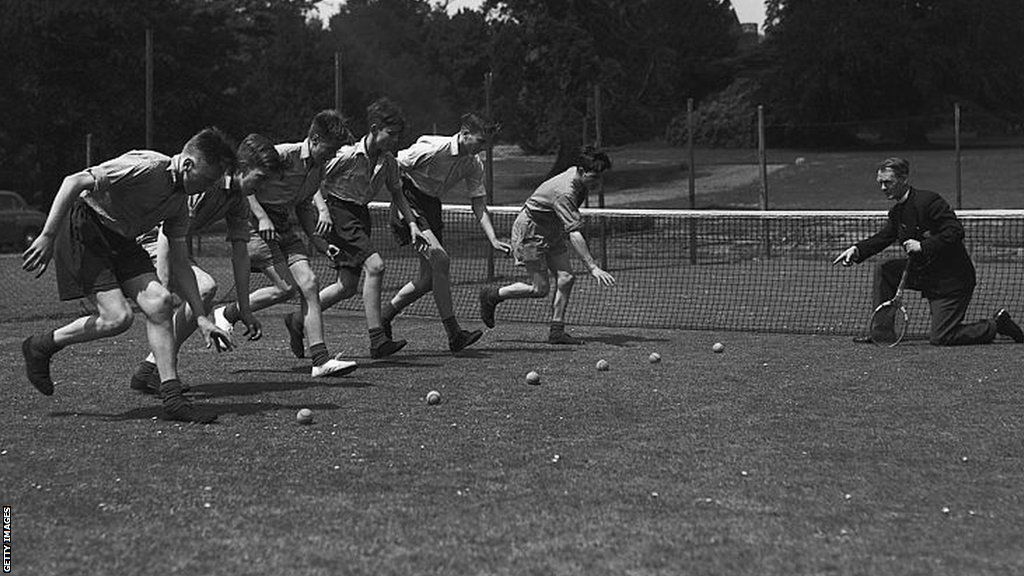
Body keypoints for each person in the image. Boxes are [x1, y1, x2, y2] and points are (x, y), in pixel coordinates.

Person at [20, 127, 238, 423]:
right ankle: (41, 345)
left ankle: (173, 400)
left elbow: (181, 263)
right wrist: (47, 235)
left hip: (123, 240)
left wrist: (200, 316)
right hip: (86, 228)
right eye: (208, 179)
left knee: (160, 302)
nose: (209, 187)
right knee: (118, 319)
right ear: (188, 164)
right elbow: (75, 181)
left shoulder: (178, 205)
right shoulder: (146, 166)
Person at [212, 110, 358, 377]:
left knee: (309, 284)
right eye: (331, 148)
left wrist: (318, 242)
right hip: (254, 223)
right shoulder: (281, 155)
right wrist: (261, 216)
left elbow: (302, 205)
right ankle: (227, 313)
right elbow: (246, 185)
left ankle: (320, 361)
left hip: (283, 226)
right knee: (288, 288)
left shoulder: (318, 168)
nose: (333, 154)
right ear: (314, 139)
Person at [128, 133, 275, 394]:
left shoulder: (237, 201)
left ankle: (149, 371)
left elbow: (241, 255)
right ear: (242, 168)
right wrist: (162, 289)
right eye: (260, 178)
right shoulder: (206, 181)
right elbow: (165, 232)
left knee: (204, 290)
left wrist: (245, 309)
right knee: (205, 287)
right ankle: (160, 372)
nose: (261, 188)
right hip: (150, 238)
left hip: (175, 243)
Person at [285, 97, 429, 359]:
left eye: (398, 135)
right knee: (376, 266)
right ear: (374, 129)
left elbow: (398, 194)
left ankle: (296, 319)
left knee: (347, 286)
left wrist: (412, 224)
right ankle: (377, 339)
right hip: (339, 213)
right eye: (391, 134)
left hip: (360, 215)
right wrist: (323, 209)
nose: (395, 140)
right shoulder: (347, 154)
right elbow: (314, 176)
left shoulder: (388, 162)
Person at [833, 156, 1023, 346]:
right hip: (925, 274)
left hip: (952, 280)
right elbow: (883, 237)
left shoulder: (929, 201)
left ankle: (996, 324)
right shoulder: (897, 212)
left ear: (904, 178)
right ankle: (881, 334)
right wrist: (856, 250)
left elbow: (955, 231)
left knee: (942, 337)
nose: (883, 188)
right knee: (885, 269)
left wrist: (924, 246)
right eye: (880, 183)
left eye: (888, 182)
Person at [379, 112, 510, 353]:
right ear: (464, 134)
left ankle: (383, 318)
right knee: (441, 259)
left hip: (431, 206)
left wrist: (493, 238)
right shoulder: (433, 148)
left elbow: (478, 203)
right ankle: (454, 334)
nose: (482, 148)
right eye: (480, 141)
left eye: (486, 144)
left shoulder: (473, 163)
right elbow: (392, 167)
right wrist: (399, 210)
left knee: (429, 279)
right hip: (408, 200)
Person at [478, 146, 616, 344]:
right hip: (530, 234)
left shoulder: (577, 176)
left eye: (600, 178)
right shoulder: (565, 193)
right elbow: (575, 233)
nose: (597, 183)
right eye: (594, 177)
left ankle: (557, 332)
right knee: (539, 288)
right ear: (582, 172)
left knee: (566, 278)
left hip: (551, 232)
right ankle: (492, 296)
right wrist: (592, 267)